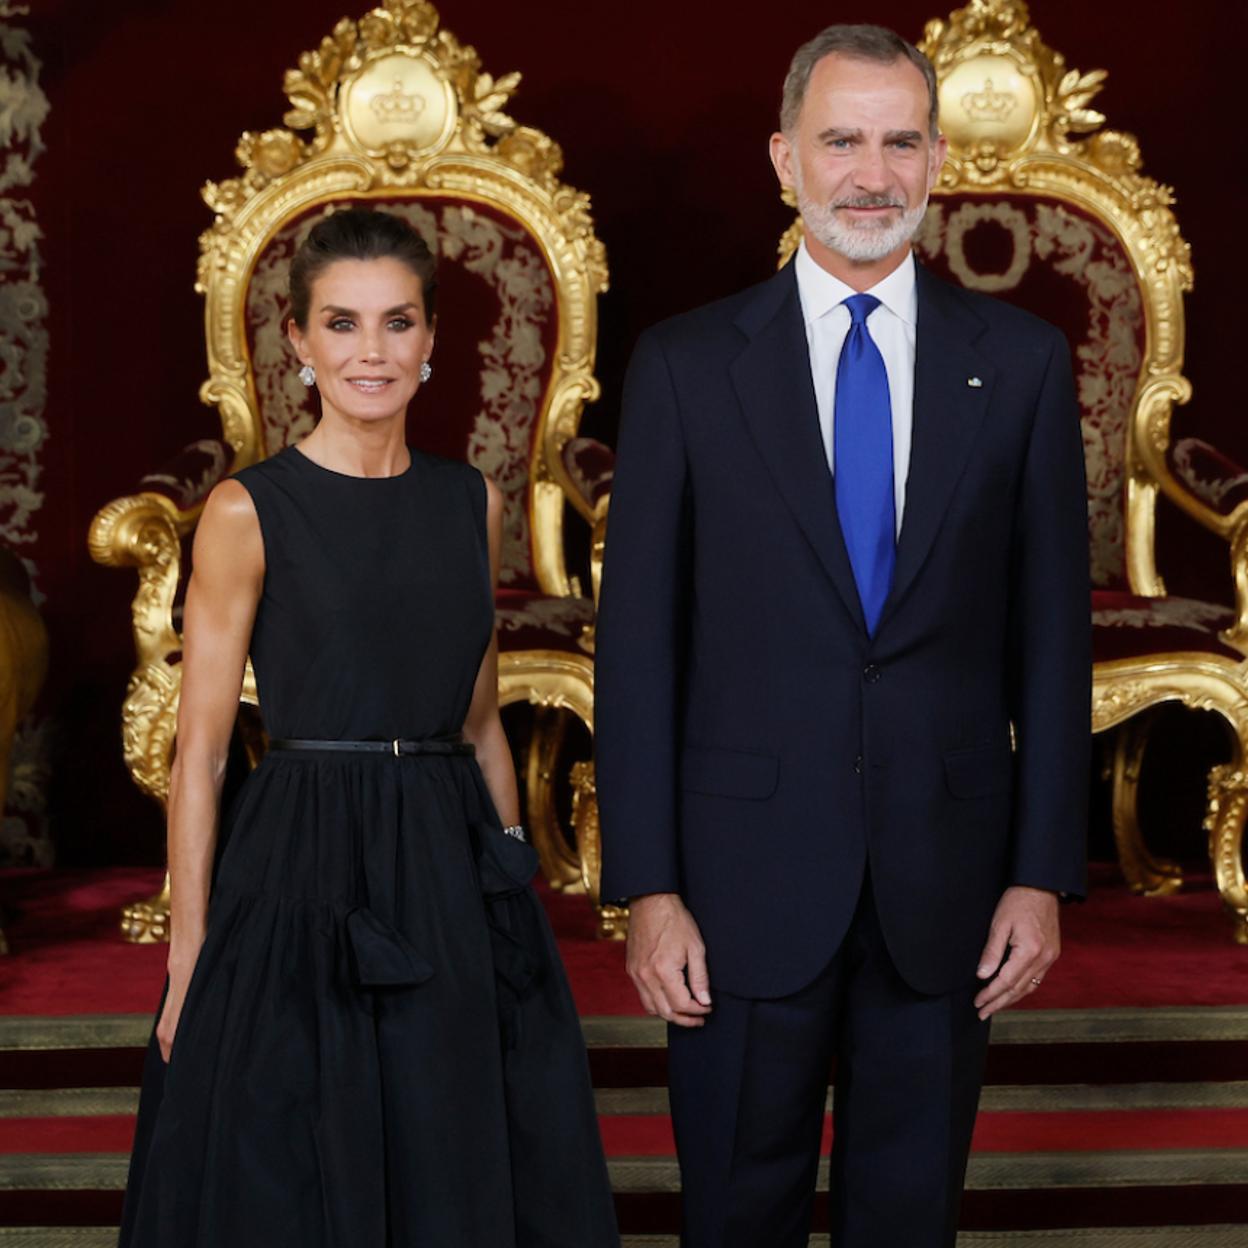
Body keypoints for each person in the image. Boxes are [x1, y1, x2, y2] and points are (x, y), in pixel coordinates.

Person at [595, 24, 1090, 1248]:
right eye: (842, 142)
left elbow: (1051, 642)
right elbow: (639, 650)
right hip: (738, 887)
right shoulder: (686, 367)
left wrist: (1040, 874)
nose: (873, 175)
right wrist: (648, 888)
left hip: (947, 888)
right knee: (736, 1217)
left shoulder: (1021, 365)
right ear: (786, 160)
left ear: (937, 162)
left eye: (900, 142)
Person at [119, 207, 619, 1247]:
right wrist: (189, 953)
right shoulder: (248, 512)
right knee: (298, 1155)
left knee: (448, 1142)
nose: (371, 352)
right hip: (302, 856)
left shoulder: (470, 502)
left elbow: (480, 723)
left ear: (431, 337)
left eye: (397, 323)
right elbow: (200, 753)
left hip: (444, 857)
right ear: (298, 342)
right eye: (341, 324)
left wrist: (509, 888)